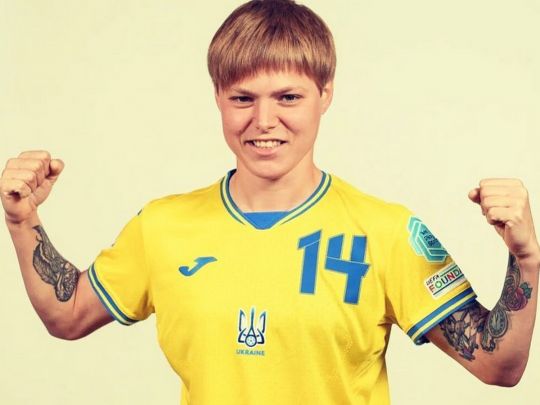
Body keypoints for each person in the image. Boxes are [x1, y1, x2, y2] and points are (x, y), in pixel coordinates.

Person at [1, 0, 538, 404]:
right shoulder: (162, 225)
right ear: (218, 98)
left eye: (288, 97)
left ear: (325, 94)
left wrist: (526, 259)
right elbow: (68, 314)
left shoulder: (386, 231)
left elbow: (497, 365)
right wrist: (22, 220)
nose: (263, 121)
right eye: (243, 98)